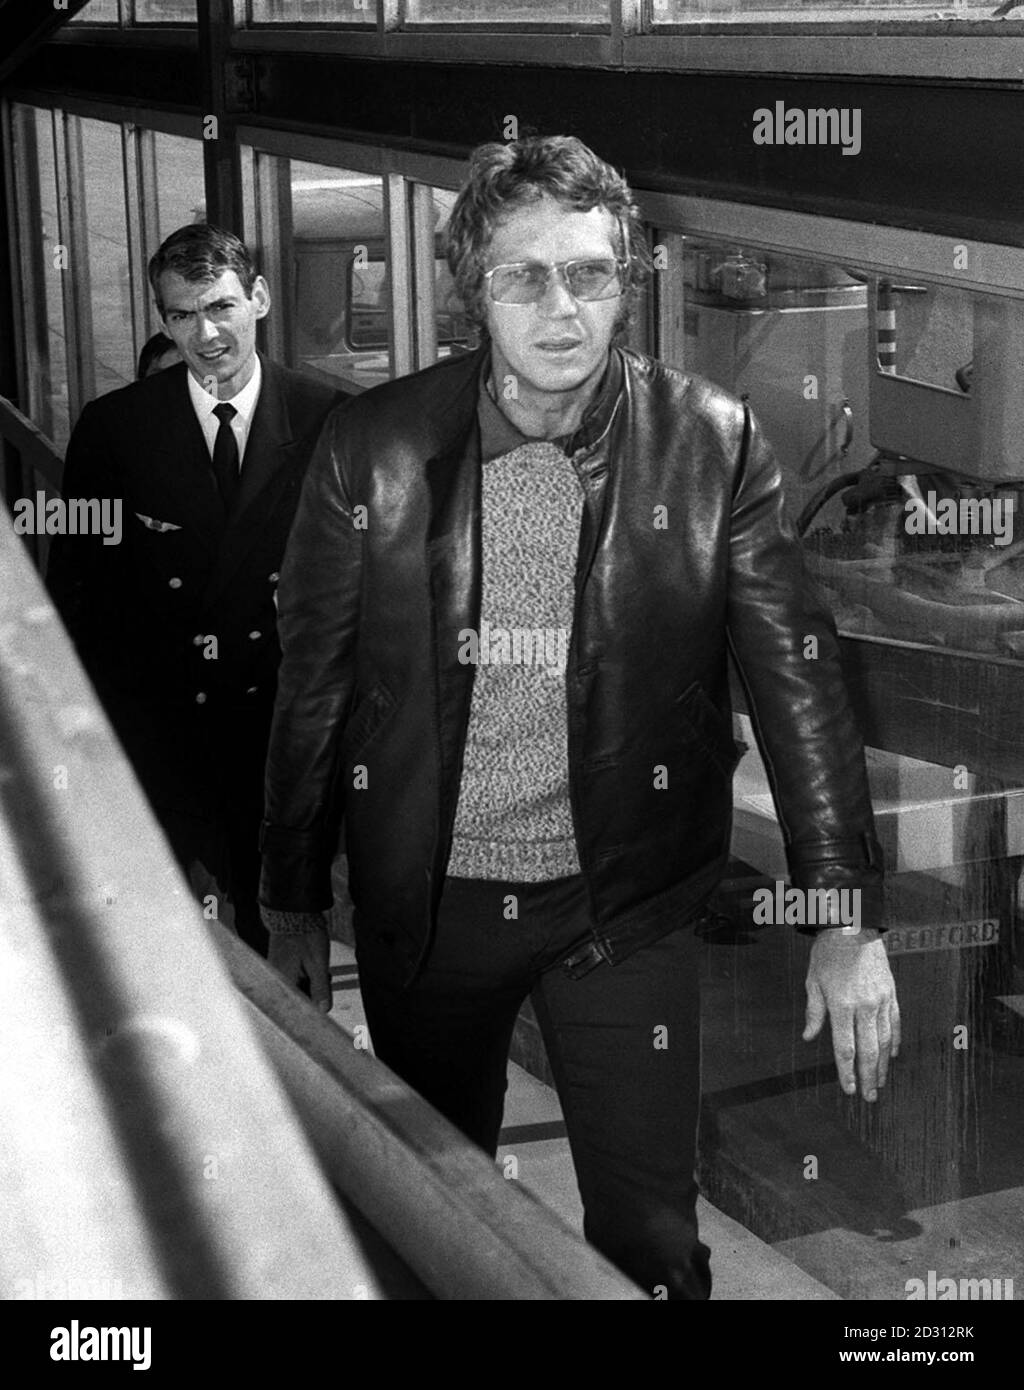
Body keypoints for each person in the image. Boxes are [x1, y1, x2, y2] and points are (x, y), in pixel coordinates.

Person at [257, 136, 900, 1299]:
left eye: (590, 273)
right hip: (429, 907)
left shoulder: (710, 441)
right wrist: (291, 897)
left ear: (629, 278)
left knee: (653, 1242)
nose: (562, 308)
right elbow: (314, 687)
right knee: (436, 1219)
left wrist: (842, 914)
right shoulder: (372, 450)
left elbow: (796, 676)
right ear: (475, 290)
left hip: (626, 905)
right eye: (525, 276)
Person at [48, 224, 343, 956]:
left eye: (220, 306)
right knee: (160, 952)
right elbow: (78, 601)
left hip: (278, 740)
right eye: (181, 314)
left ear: (260, 299)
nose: (206, 332)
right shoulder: (115, 429)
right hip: (164, 739)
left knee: (282, 948)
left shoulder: (330, 420)